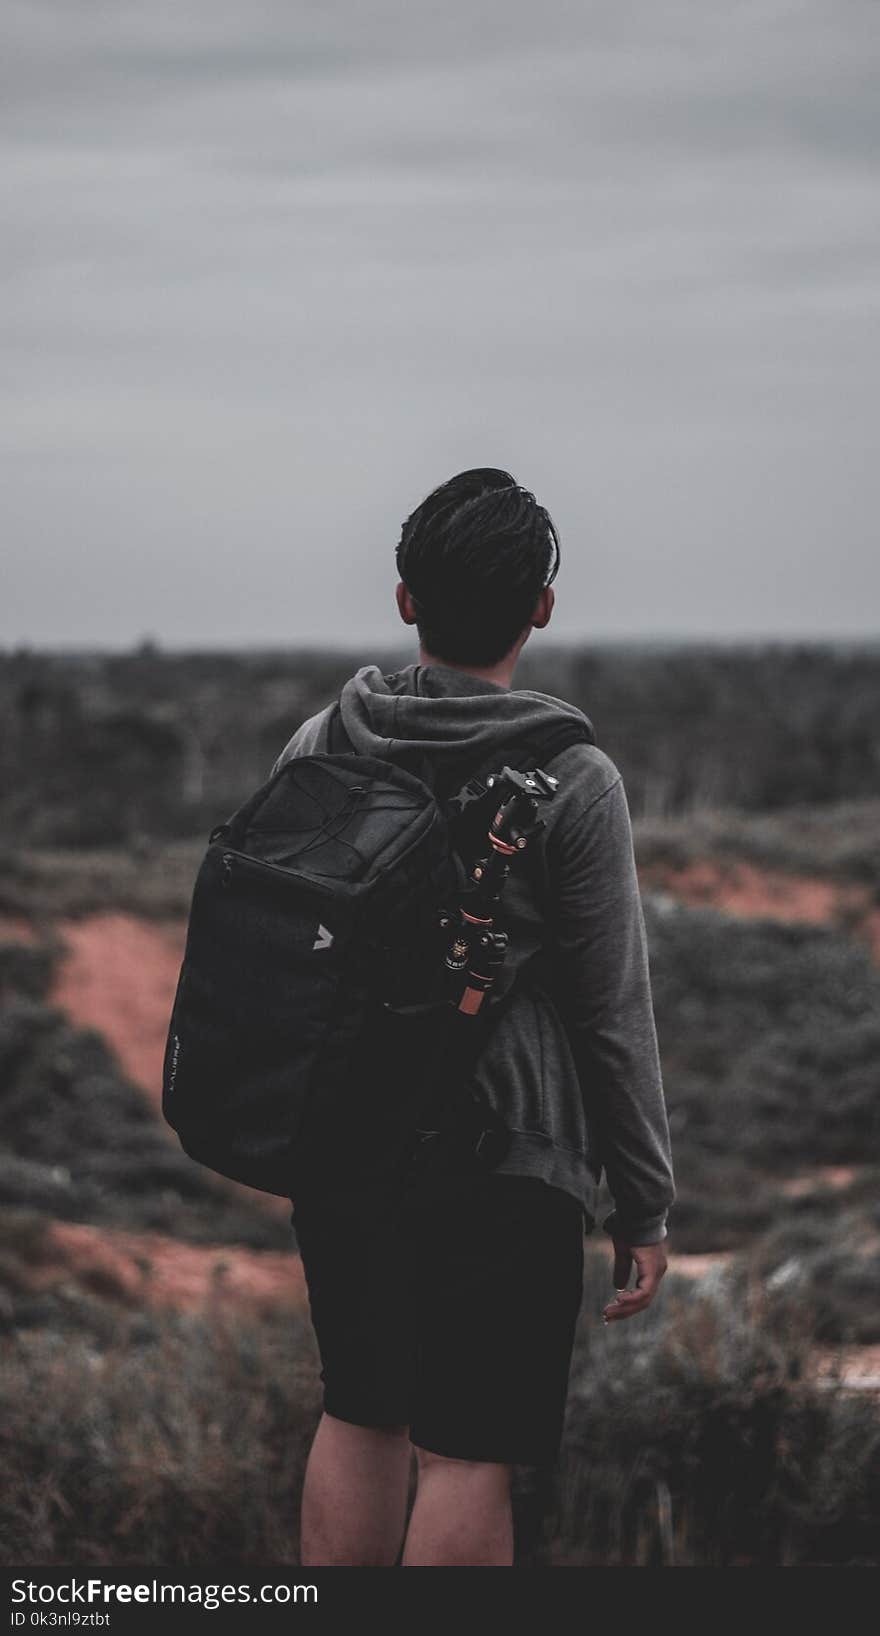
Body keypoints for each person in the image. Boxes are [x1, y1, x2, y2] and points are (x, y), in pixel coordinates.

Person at [270, 468, 675, 1567]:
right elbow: (609, 1011)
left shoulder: (325, 739)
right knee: (465, 1454)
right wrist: (643, 1200)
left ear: (406, 598)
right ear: (541, 606)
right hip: (506, 1158)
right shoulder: (572, 775)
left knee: (360, 1414)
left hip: (346, 1145)